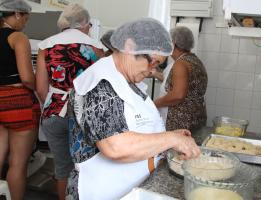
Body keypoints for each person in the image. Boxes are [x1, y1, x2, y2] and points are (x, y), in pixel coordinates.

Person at [66, 18, 200, 200]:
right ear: (129, 46)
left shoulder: (127, 79)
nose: (153, 70)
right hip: (100, 191)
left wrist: (169, 138)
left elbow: (129, 125)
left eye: (158, 65)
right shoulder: (100, 83)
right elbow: (115, 146)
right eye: (152, 62)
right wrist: (170, 139)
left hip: (127, 189)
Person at [35, 4, 104, 200]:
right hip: (84, 114)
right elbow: (101, 86)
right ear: (83, 24)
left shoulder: (45, 46)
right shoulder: (96, 47)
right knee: (86, 166)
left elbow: (40, 88)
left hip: (54, 112)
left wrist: (52, 103)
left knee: (62, 168)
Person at [0, 1, 40, 200]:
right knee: (18, 162)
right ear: (16, 14)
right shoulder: (18, 37)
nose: (26, 21)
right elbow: (26, 77)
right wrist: (39, 88)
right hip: (18, 102)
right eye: (25, 17)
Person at [154, 26, 208, 136]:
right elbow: (177, 83)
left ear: (173, 44)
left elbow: (177, 95)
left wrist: (154, 104)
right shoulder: (195, 61)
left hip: (181, 123)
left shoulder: (180, 64)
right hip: (196, 119)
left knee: (176, 153)